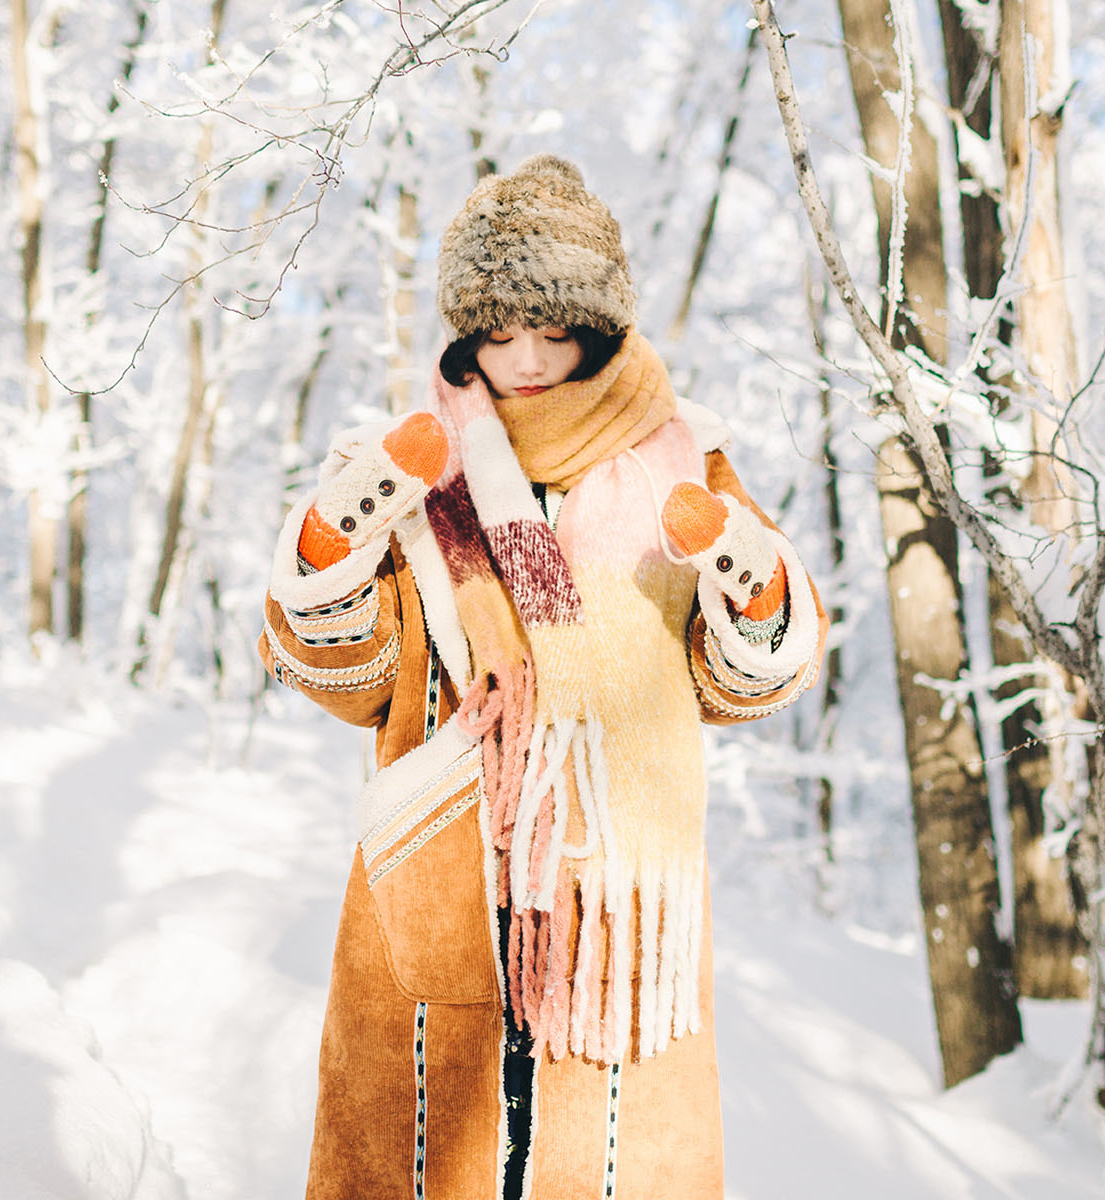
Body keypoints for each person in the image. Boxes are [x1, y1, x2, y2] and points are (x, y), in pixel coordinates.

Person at [259, 154, 825, 1200]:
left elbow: (744, 685)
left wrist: (748, 592)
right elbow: (349, 678)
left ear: (600, 327)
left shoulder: (684, 469)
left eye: (553, 326)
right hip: (442, 887)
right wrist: (330, 557)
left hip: (615, 919)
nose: (522, 356)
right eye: (497, 327)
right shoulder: (415, 470)